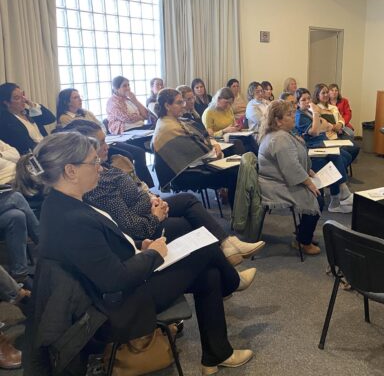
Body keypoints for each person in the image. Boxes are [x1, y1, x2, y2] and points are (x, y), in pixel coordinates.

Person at [16, 132, 255, 374]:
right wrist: (154, 255)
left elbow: (100, 252)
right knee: (205, 249)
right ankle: (232, 284)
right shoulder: (72, 218)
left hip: (111, 292)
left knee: (209, 273)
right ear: (71, 171)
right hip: (112, 310)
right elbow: (114, 280)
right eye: (93, 162)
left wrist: (141, 246)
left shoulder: (63, 204)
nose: (100, 167)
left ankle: (217, 355)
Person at [64, 119, 265, 266]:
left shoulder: (105, 167)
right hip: (145, 223)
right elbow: (128, 224)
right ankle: (227, 267)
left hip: (146, 207)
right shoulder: (97, 182)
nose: (106, 146)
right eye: (100, 143)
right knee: (190, 224)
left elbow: (136, 190)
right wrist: (156, 215)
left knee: (188, 201)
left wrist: (153, 198)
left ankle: (228, 247)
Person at [152, 89, 239, 207]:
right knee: (234, 174)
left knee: (234, 164)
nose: (183, 106)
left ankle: (236, 208)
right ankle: (238, 217)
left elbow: (205, 134)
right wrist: (217, 152)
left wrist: (214, 144)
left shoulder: (176, 120)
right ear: (167, 105)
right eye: (179, 103)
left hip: (193, 163)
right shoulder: (169, 127)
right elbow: (198, 152)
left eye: (183, 102)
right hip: (183, 174)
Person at [258, 100, 323, 255]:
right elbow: (290, 168)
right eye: (289, 114)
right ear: (278, 121)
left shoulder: (283, 134)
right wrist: (308, 183)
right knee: (317, 198)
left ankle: (302, 234)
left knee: (317, 191)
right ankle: (303, 241)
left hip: (281, 180)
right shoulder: (279, 138)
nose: (294, 116)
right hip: (273, 186)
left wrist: (309, 172)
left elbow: (293, 161)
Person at [56, 88, 154, 187]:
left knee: (138, 152)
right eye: (75, 97)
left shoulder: (86, 112)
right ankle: (130, 185)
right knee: (127, 155)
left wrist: (100, 134)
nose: (80, 99)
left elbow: (101, 125)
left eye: (79, 97)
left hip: (104, 140)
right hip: (91, 148)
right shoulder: (64, 118)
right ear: (67, 102)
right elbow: (79, 137)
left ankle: (147, 185)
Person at [295, 88, 353, 213]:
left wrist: (318, 120)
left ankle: (337, 197)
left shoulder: (308, 113)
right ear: (297, 103)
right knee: (336, 157)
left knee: (345, 155)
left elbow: (325, 125)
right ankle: (341, 195)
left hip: (322, 142)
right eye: (303, 100)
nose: (307, 102)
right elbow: (315, 131)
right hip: (312, 147)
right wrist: (316, 114)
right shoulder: (300, 116)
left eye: (308, 98)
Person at [0, 83, 56, 155]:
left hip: (47, 148)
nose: (23, 100)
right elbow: (24, 145)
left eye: (23, 95)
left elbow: (51, 119)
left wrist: (32, 104)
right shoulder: (6, 120)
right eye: (17, 98)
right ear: (6, 102)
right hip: (35, 155)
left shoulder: (28, 112)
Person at [313, 83, 360, 164]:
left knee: (355, 147)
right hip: (327, 136)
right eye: (323, 93)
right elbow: (322, 124)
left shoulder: (333, 107)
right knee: (344, 152)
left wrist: (340, 124)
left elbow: (341, 118)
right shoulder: (316, 108)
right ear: (317, 95)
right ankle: (339, 167)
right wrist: (334, 126)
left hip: (338, 132)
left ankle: (342, 167)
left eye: (327, 92)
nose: (326, 95)